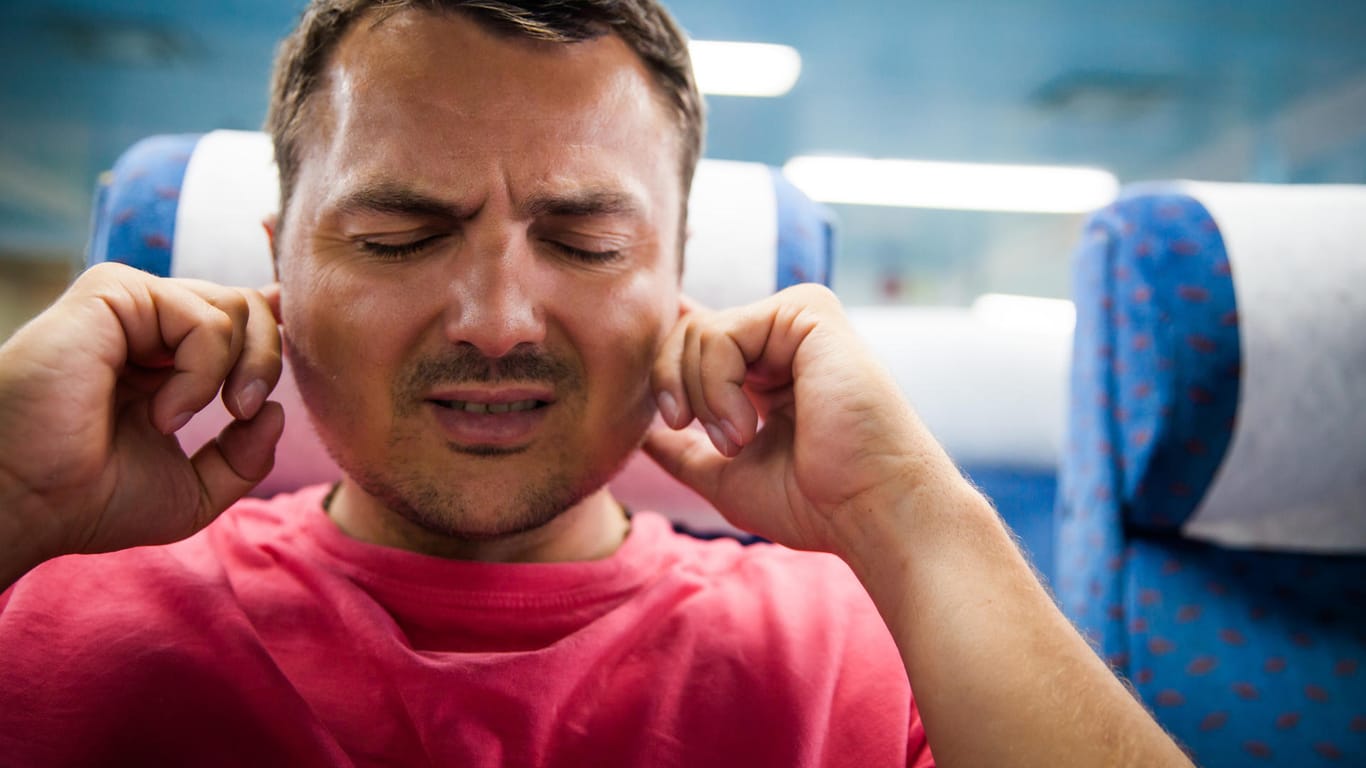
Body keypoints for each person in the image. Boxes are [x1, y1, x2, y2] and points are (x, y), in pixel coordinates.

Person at [0, 1, 1190, 765]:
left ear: (680, 282)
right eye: (398, 236)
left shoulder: (854, 661)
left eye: (580, 242)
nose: (496, 321)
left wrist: (914, 523)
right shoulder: (50, 618)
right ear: (277, 269)